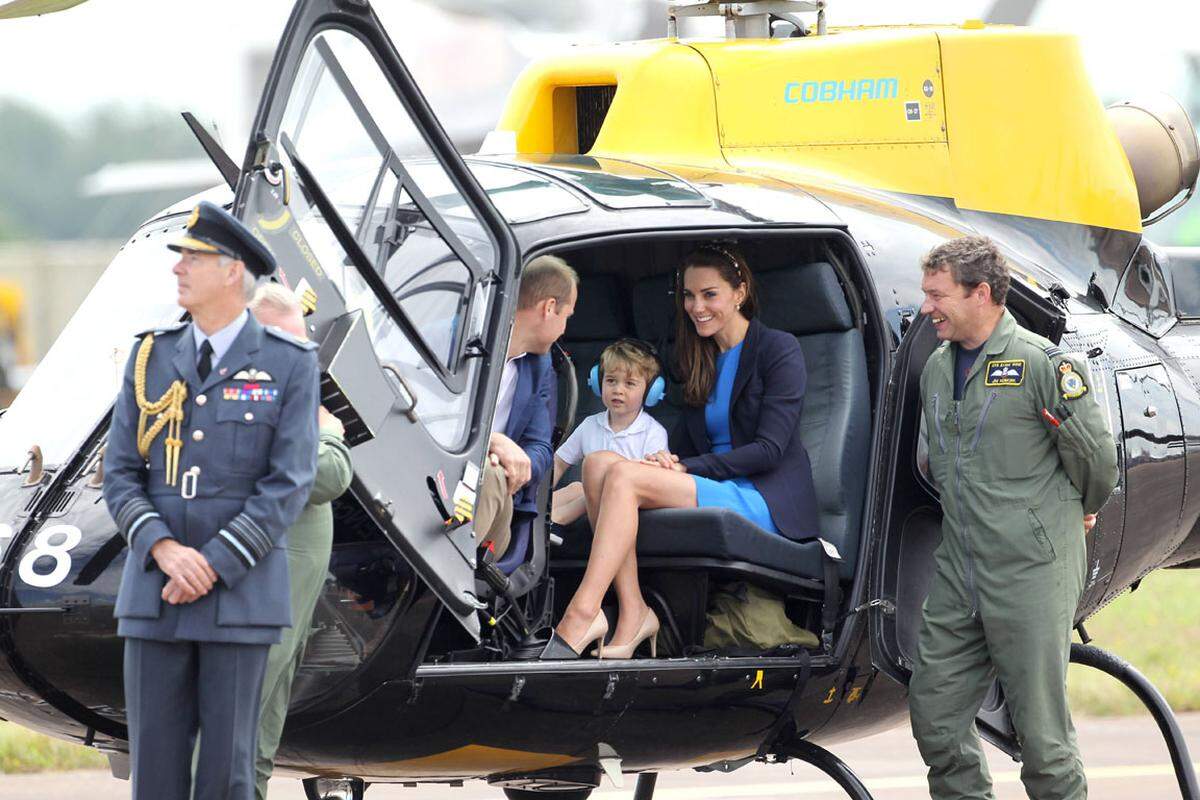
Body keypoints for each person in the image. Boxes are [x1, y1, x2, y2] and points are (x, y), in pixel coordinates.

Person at [103, 200, 320, 800]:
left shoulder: (289, 363)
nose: (178, 269)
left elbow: (290, 482)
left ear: (232, 272)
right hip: (155, 589)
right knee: (156, 774)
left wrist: (212, 564)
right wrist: (166, 549)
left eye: (193, 258)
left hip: (240, 594)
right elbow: (120, 474)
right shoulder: (149, 358)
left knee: (227, 772)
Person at [909, 235, 1118, 800]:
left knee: (1042, 738)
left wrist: (1084, 510)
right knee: (935, 713)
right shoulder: (935, 369)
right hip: (960, 569)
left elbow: (1097, 460)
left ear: (982, 294)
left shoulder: (1042, 365)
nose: (927, 307)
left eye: (937, 295)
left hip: (1030, 569)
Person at [543, 245, 820, 660]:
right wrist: (668, 460)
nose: (696, 307)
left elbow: (769, 450)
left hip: (762, 495)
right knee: (599, 463)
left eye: (710, 294)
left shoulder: (778, 350)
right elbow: (686, 446)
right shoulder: (698, 357)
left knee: (620, 475)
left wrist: (684, 466)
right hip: (710, 482)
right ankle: (633, 609)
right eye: (689, 296)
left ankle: (583, 612)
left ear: (739, 292)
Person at [248, 285, 353, 800]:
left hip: (289, 585)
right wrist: (329, 431)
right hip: (268, 581)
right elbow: (327, 476)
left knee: (262, 730)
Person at [472, 255, 576, 562]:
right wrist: (492, 440)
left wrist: (519, 463)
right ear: (548, 308)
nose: (563, 329)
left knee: (491, 474)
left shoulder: (540, 367)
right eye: (566, 316)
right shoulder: (462, 338)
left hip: (495, 498)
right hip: (434, 476)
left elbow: (541, 447)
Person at [550, 338, 669, 526]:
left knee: (592, 489)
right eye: (611, 381)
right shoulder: (589, 425)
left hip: (629, 509)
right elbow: (558, 462)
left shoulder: (653, 432)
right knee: (575, 488)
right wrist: (539, 495)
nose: (618, 390)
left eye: (630, 384)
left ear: (650, 392)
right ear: (598, 383)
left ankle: (554, 523)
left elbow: (655, 482)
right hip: (594, 504)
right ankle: (533, 516)